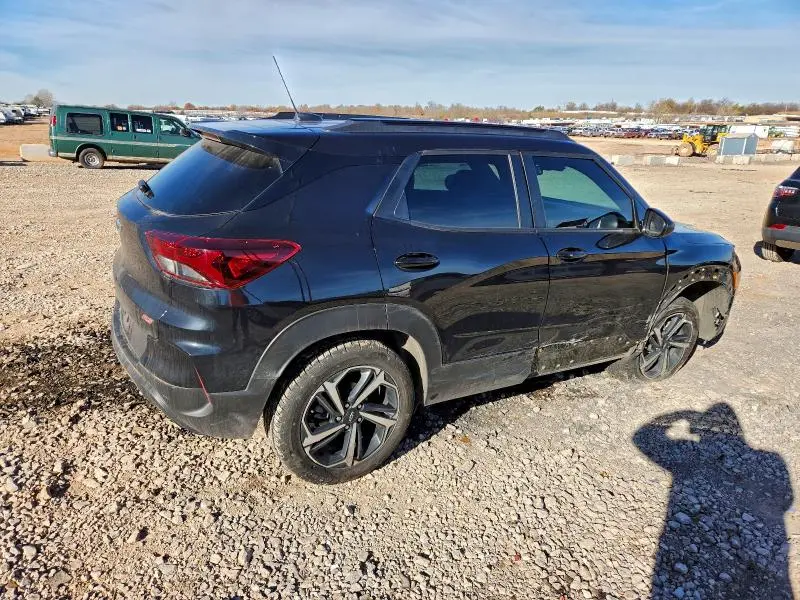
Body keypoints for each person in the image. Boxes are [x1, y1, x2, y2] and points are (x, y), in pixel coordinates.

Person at [633, 403, 794, 599]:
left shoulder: (770, 457)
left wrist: (682, 414)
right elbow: (786, 500)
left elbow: (641, 438)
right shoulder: (772, 457)